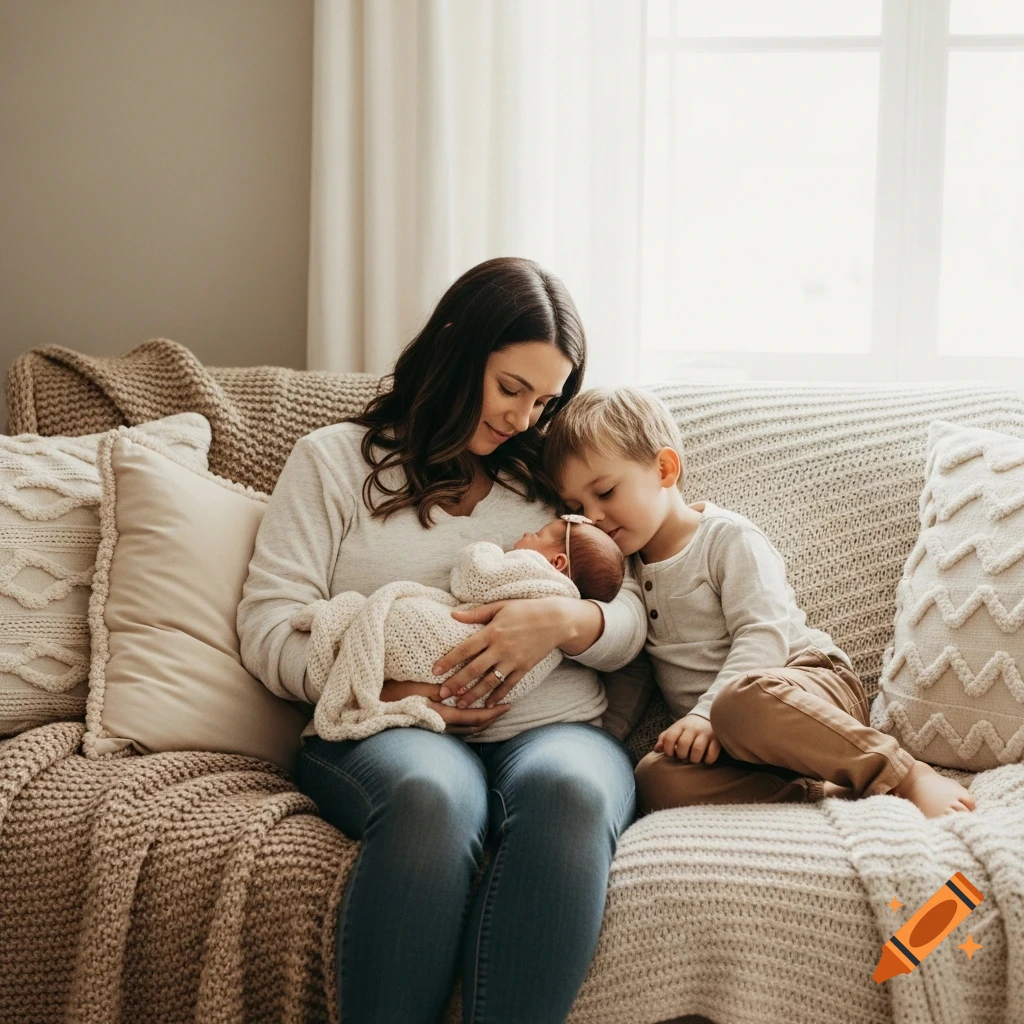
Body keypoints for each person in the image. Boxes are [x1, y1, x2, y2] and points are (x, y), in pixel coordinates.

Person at [236, 257, 647, 1024]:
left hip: (553, 727)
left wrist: (564, 621)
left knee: (573, 793)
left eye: (545, 400)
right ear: (458, 346)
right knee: (432, 799)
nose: (523, 418)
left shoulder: (551, 479)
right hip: (387, 727)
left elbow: (632, 614)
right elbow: (266, 628)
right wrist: (392, 692)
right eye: (511, 389)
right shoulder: (331, 463)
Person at [542, 385, 978, 820]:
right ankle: (817, 786)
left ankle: (904, 773)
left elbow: (763, 632)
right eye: (576, 507)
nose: (593, 518)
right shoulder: (629, 572)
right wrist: (603, 736)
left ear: (664, 469)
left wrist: (709, 714)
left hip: (803, 687)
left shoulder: (726, 538)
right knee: (654, 777)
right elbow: (634, 672)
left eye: (605, 492)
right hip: (734, 743)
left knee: (742, 701)